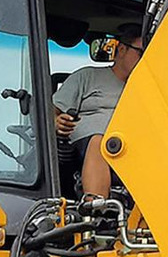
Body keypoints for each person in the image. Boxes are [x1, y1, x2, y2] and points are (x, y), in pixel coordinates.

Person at [53, 23, 145, 197]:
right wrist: (55, 122)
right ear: (122, 49)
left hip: (131, 146)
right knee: (99, 142)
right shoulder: (88, 76)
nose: (144, 58)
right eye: (140, 53)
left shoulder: (147, 89)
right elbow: (52, 110)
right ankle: (96, 207)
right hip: (86, 144)